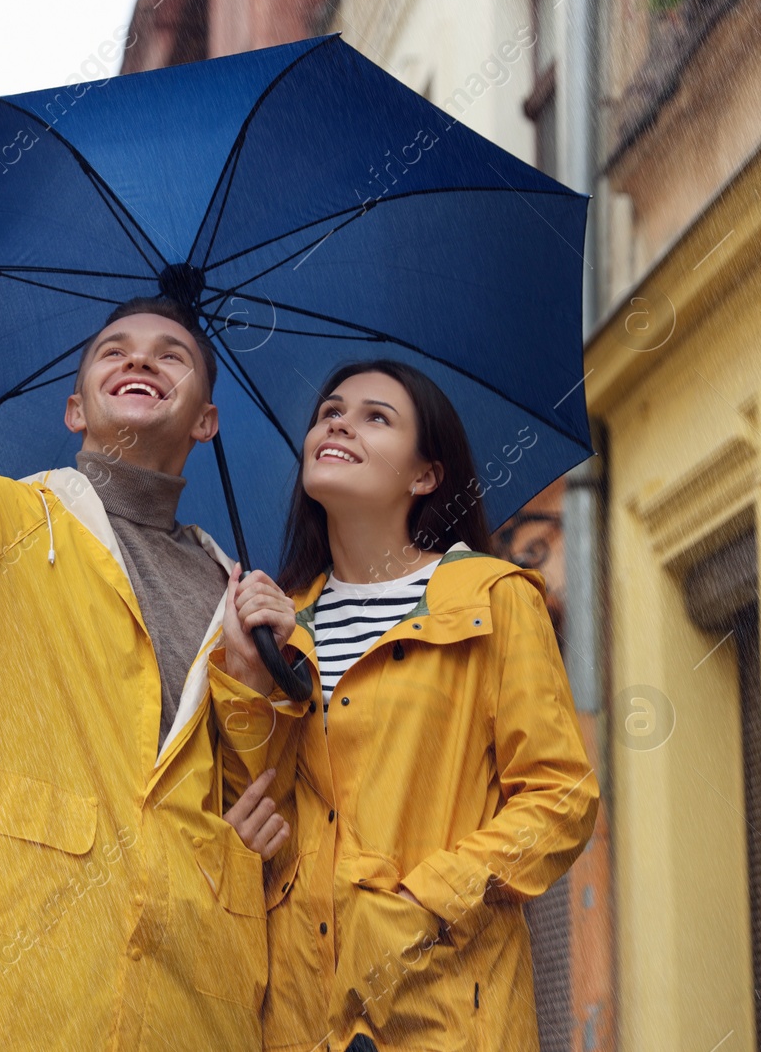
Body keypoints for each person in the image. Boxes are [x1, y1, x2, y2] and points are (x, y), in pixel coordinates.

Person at [0, 127, 291, 1050]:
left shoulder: (239, 592)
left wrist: (260, 689)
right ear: (75, 408)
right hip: (20, 992)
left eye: (172, 354)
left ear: (206, 418)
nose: (142, 358)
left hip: (195, 1002)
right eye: (115, 348)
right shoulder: (0, 526)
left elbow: (262, 798)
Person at [212, 359, 600, 1051]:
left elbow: (560, 797)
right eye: (330, 410)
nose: (339, 421)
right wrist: (248, 675)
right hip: (295, 1017)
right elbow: (251, 806)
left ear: (425, 475)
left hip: (444, 1010)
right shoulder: (279, 628)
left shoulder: (491, 596)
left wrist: (425, 901)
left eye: (375, 416)